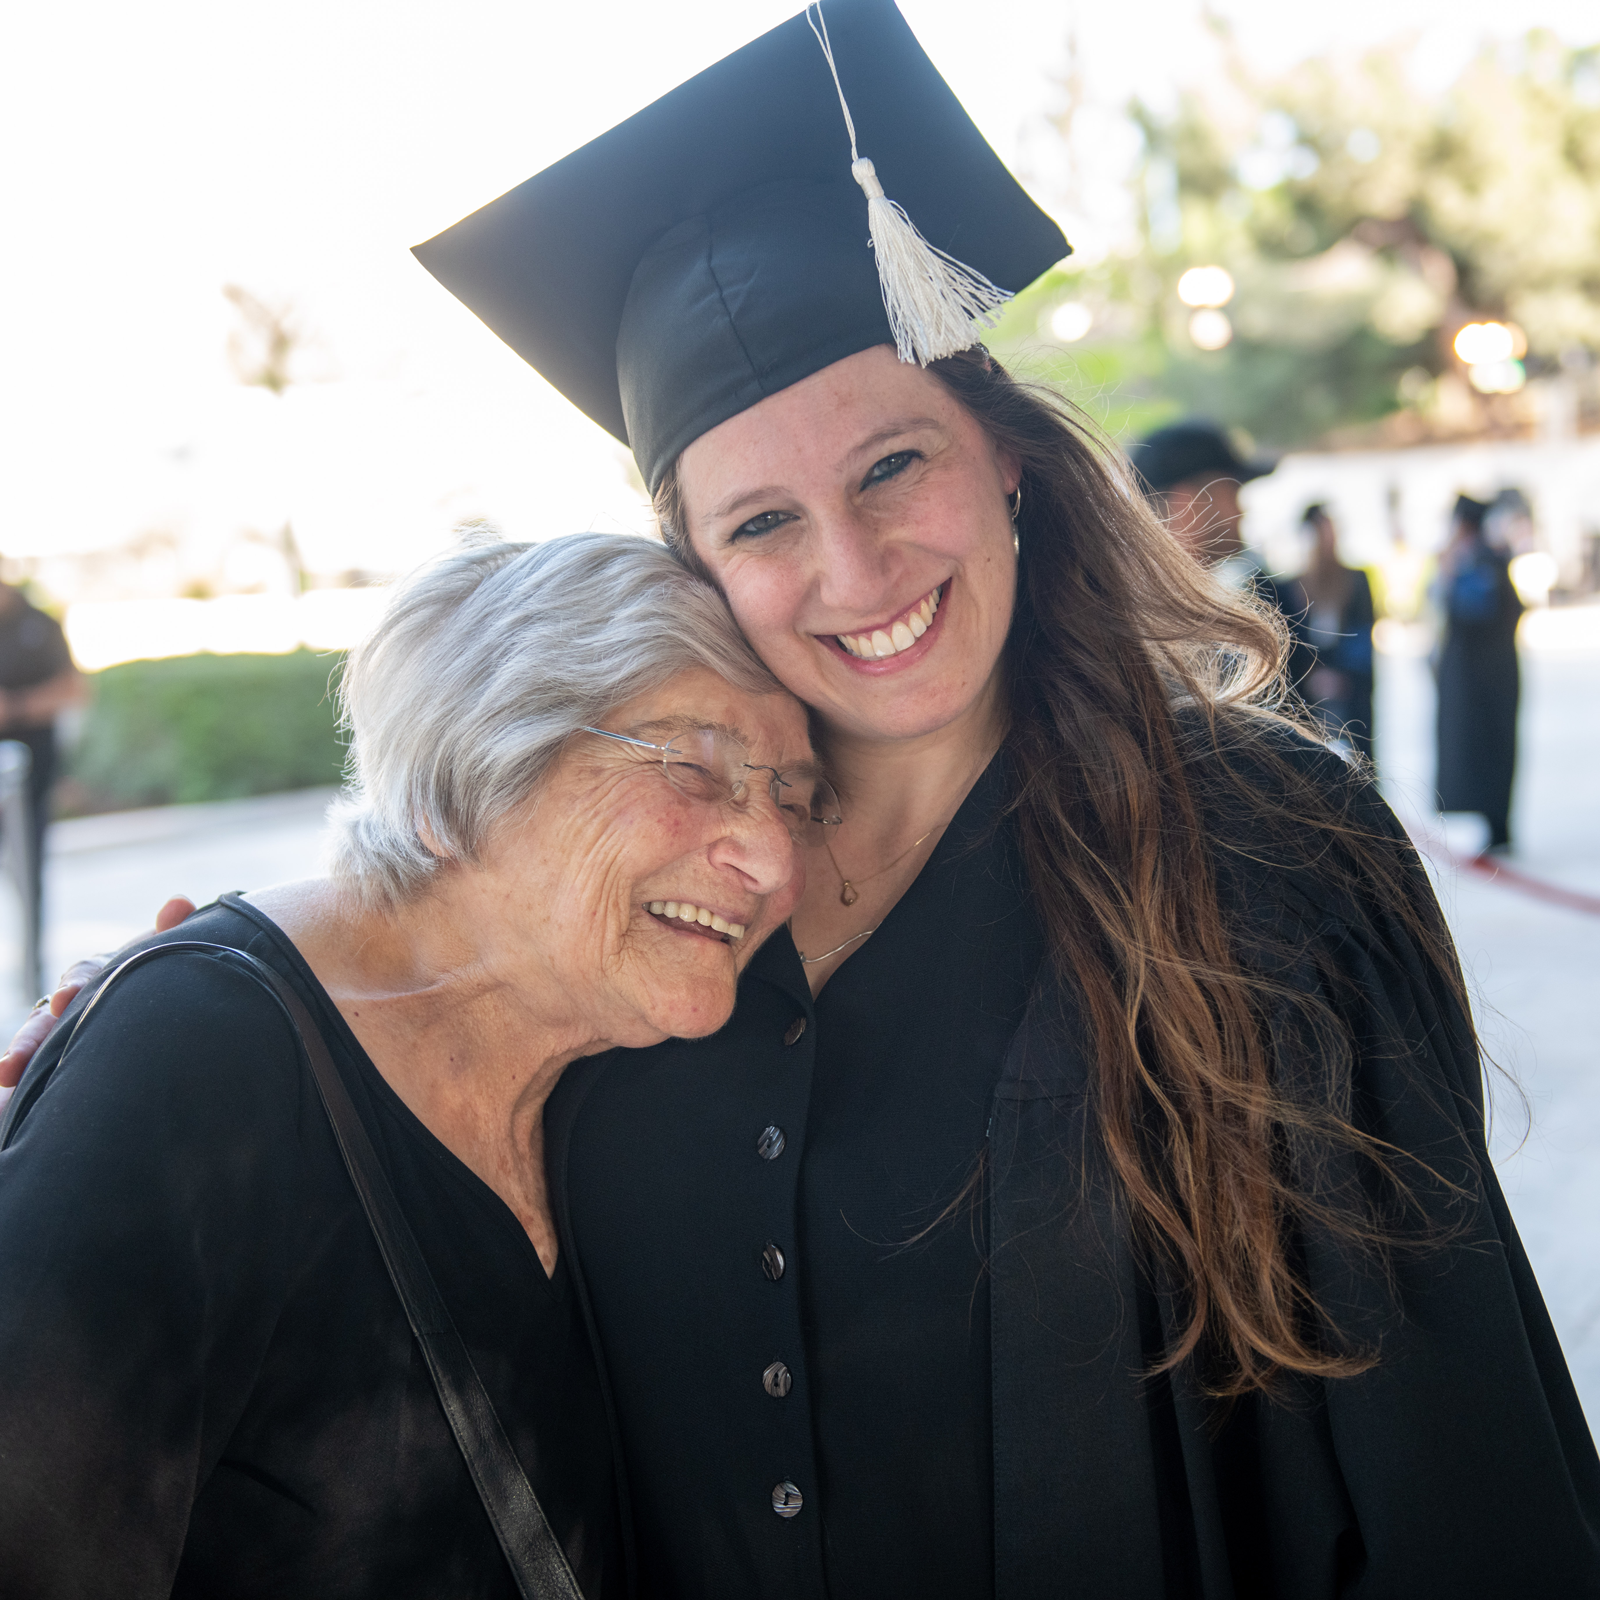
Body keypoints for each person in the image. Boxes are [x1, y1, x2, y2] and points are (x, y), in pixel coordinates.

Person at [9, 3, 1599, 1595]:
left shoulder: (1256, 846)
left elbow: (1454, 1460)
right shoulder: (656, 903)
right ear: (695, 559)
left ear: (1009, 462)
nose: (855, 568)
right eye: (762, 518)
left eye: (896, 465)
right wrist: (162, 1033)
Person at [0, 531, 825, 1597]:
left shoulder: (626, 1070)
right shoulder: (195, 1061)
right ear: (466, 771)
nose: (769, 856)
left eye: (796, 798)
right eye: (693, 766)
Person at [1127, 418, 1316, 692]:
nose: (1242, 511)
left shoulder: (1128, 609)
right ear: (1188, 507)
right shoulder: (1160, 632)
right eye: (1233, 492)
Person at [0, 571, 84, 966]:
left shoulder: (39, 625)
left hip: (30, 773)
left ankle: (32, 962)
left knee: (28, 868)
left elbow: (74, 689)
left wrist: (15, 707)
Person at [1435, 492, 1524, 852]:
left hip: (1488, 677)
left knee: (1492, 749)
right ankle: (1492, 822)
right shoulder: (1478, 559)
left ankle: (1498, 825)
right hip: (1481, 674)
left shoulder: (1481, 562)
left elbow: (1475, 612)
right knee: (1482, 749)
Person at [1298, 502, 1377, 761]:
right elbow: (1291, 645)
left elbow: (1363, 635)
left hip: (1350, 690)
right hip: (1307, 695)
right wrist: (1313, 676)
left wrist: (1342, 676)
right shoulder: (1290, 588)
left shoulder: (1355, 580)